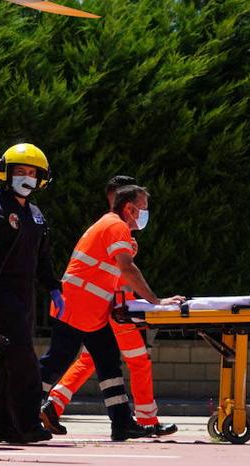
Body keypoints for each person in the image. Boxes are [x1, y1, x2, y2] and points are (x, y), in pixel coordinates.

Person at [37, 184, 185, 441]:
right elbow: (128, 270)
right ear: (129, 208)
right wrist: (155, 300)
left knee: (106, 361)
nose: (145, 214)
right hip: (80, 307)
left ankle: (122, 422)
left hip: (88, 309)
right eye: (143, 209)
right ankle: (23, 408)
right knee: (57, 361)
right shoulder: (117, 227)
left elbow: (110, 274)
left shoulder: (111, 226)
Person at [0, 143, 62, 444]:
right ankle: (27, 425)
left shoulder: (35, 214)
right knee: (24, 361)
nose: (26, 178)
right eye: (20, 171)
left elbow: (42, 258)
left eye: (32, 173)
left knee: (7, 360)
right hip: (0, 294)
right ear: (5, 174)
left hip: (24, 296)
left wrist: (55, 288)